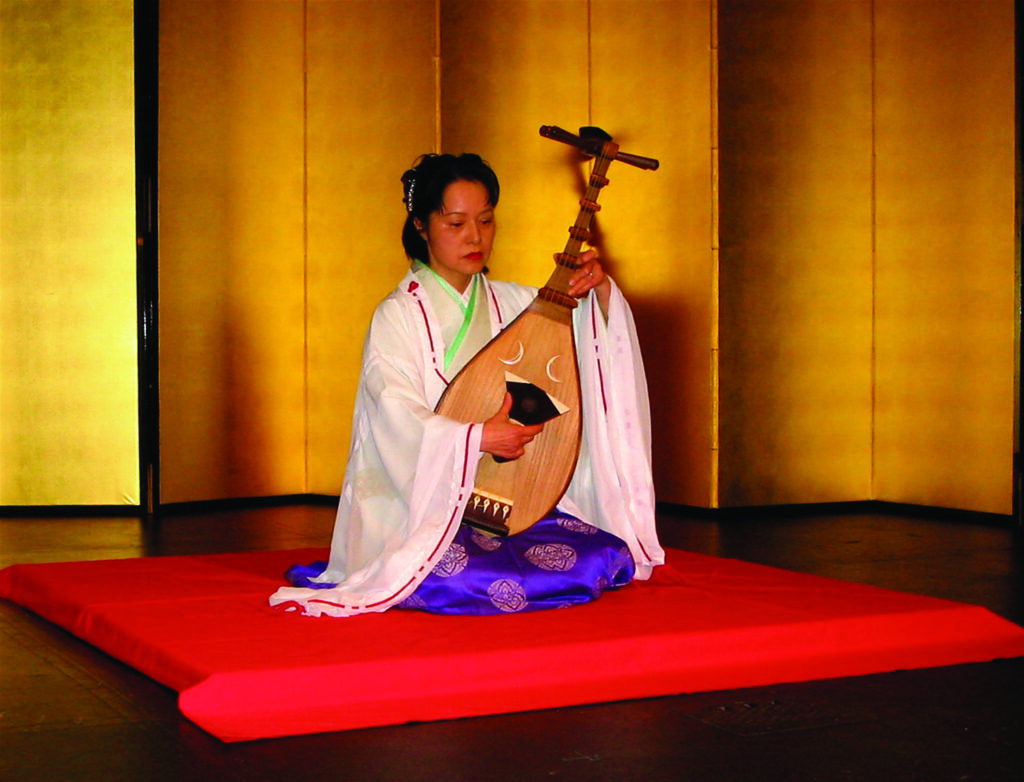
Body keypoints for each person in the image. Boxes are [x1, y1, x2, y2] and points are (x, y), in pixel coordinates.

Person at [269, 153, 663, 617]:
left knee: (602, 553)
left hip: (510, 500)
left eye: (485, 220)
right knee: (460, 573)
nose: (475, 237)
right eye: (455, 223)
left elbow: (580, 352)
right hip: (421, 512)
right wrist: (475, 437)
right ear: (421, 226)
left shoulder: (519, 304)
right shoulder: (397, 317)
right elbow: (395, 411)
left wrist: (595, 291)